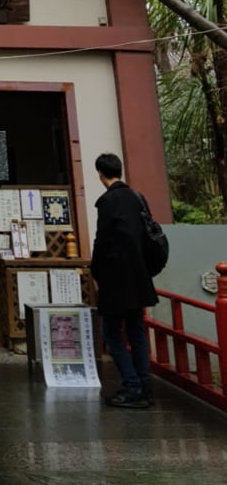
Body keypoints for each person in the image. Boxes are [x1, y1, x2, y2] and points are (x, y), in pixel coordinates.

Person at [90, 152, 158, 409]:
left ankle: (131, 385)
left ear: (100, 174)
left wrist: (96, 271)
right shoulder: (137, 198)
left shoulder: (107, 202)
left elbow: (102, 241)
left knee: (111, 333)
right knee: (136, 331)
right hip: (139, 277)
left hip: (116, 279)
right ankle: (144, 384)